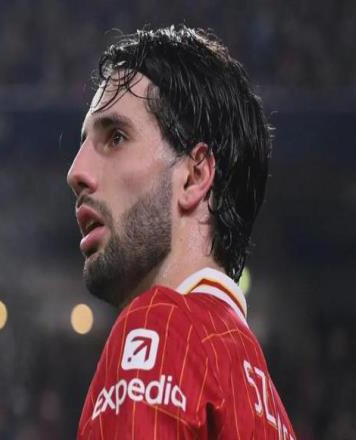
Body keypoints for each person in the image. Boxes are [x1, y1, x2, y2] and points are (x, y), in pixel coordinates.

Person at [67, 25, 295, 439]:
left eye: (116, 137)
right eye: (83, 144)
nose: (76, 173)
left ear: (194, 176)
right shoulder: (264, 395)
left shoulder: (158, 327)